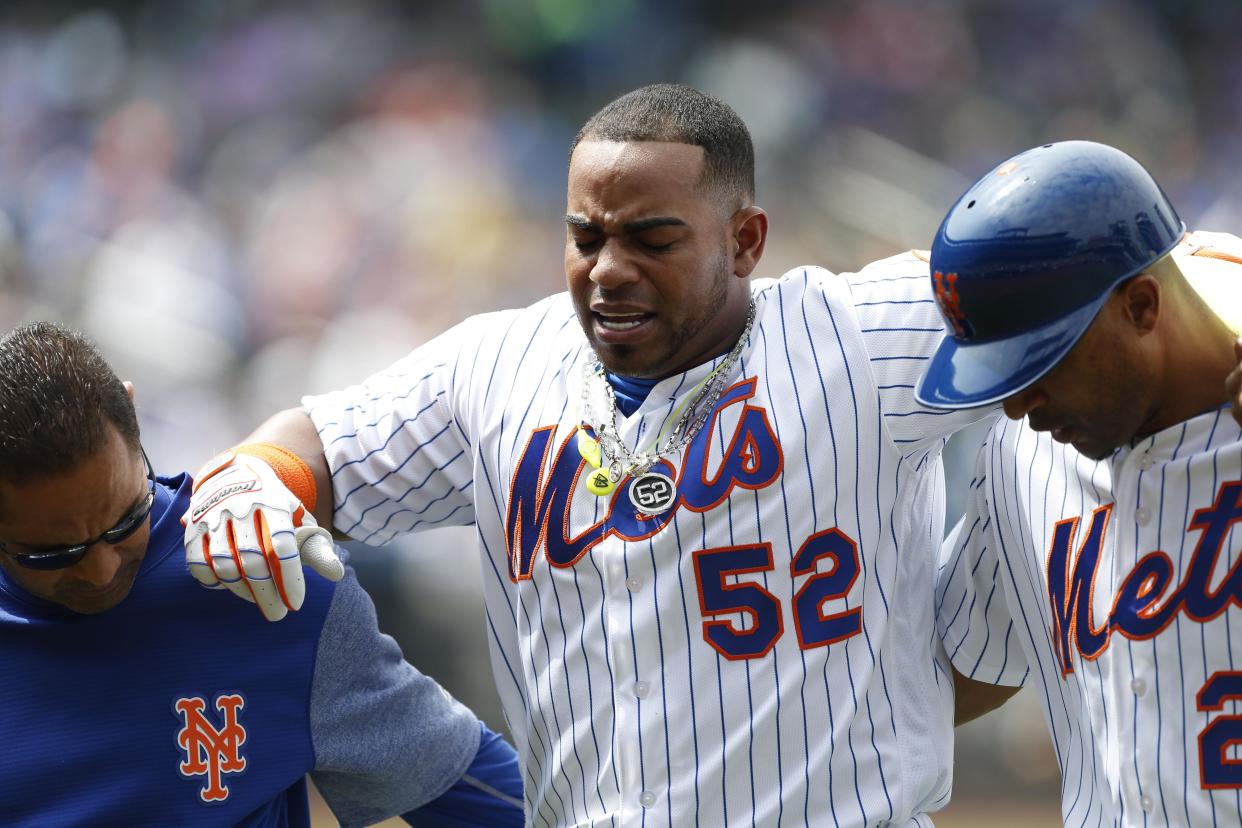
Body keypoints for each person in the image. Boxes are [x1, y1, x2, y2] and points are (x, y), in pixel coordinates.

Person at [182, 83, 999, 826]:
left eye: (652, 239)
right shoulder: (497, 365)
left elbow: (1073, 284)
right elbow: (316, 445)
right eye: (586, 237)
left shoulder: (859, 333)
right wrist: (255, 481)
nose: (609, 270)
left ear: (745, 241)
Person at [0, 322, 524, 827]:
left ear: (134, 416)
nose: (100, 570)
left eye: (124, 522)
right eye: (52, 553)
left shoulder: (260, 579)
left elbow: (486, 796)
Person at [919, 140, 1242, 825]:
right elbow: (944, 673)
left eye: (1044, 361)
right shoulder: (1021, 457)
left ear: (1143, 307)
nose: (1015, 405)